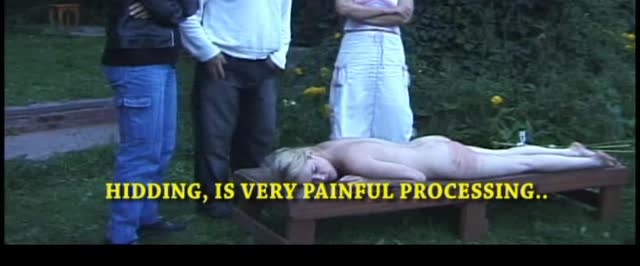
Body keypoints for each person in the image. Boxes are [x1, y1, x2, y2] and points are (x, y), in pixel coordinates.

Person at [179, 0, 299, 218]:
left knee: (260, 135)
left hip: (264, 65)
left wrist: (279, 57)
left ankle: (252, 197)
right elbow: (188, 12)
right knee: (215, 135)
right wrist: (206, 51)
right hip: (222, 64)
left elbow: (283, 20)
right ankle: (214, 200)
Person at [101, 0, 200, 244]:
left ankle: (146, 216)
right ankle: (122, 234)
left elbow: (185, 2)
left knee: (162, 147)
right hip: (136, 62)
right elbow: (167, 8)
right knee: (140, 150)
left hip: (160, 59)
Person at [264, 136, 621, 183]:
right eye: (315, 182)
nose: (323, 179)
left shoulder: (355, 163)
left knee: (523, 166)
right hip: (431, 145)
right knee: (509, 154)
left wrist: (365, 180)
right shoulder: (331, 146)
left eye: (315, 172)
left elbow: (415, 179)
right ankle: (570, 152)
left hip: (445, 163)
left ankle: (592, 163)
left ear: (309, 155)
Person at [330, 0, 414, 143]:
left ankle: (393, 149)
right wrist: (387, 11)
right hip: (357, 44)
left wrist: (361, 13)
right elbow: (344, 8)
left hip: (389, 46)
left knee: (393, 98)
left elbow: (404, 15)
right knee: (352, 94)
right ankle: (348, 148)